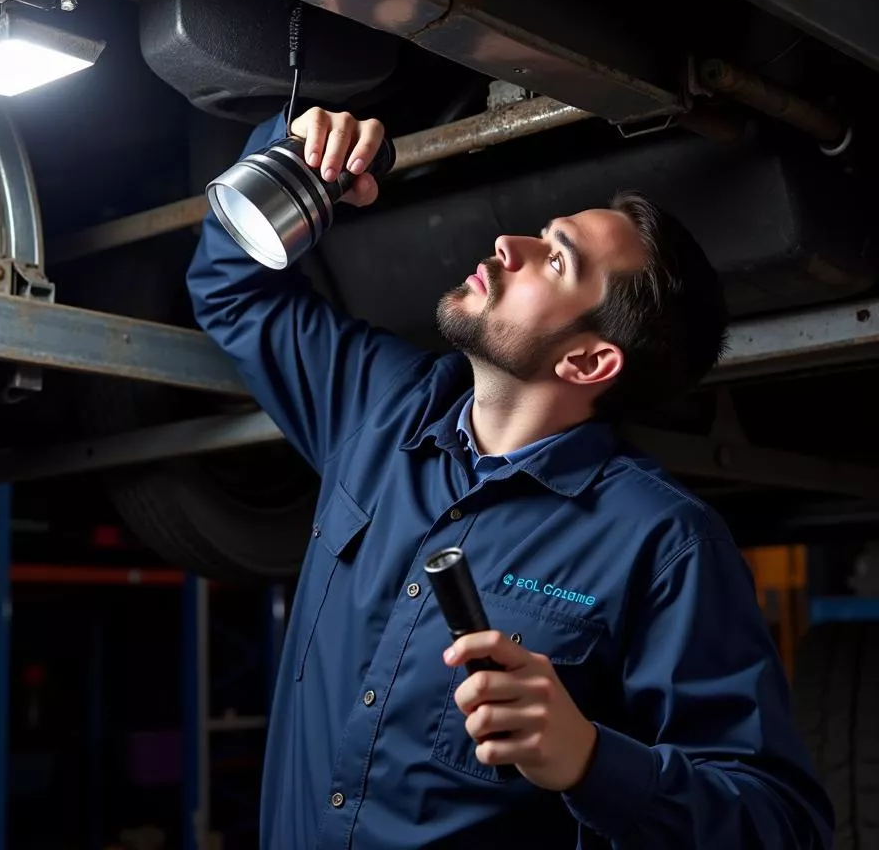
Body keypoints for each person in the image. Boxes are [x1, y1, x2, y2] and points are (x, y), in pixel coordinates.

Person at [188, 105, 834, 850]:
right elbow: (232, 289)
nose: (509, 243)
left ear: (588, 363)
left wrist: (591, 760)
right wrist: (299, 159)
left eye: (556, 259)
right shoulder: (381, 409)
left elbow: (780, 826)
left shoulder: (662, 544)